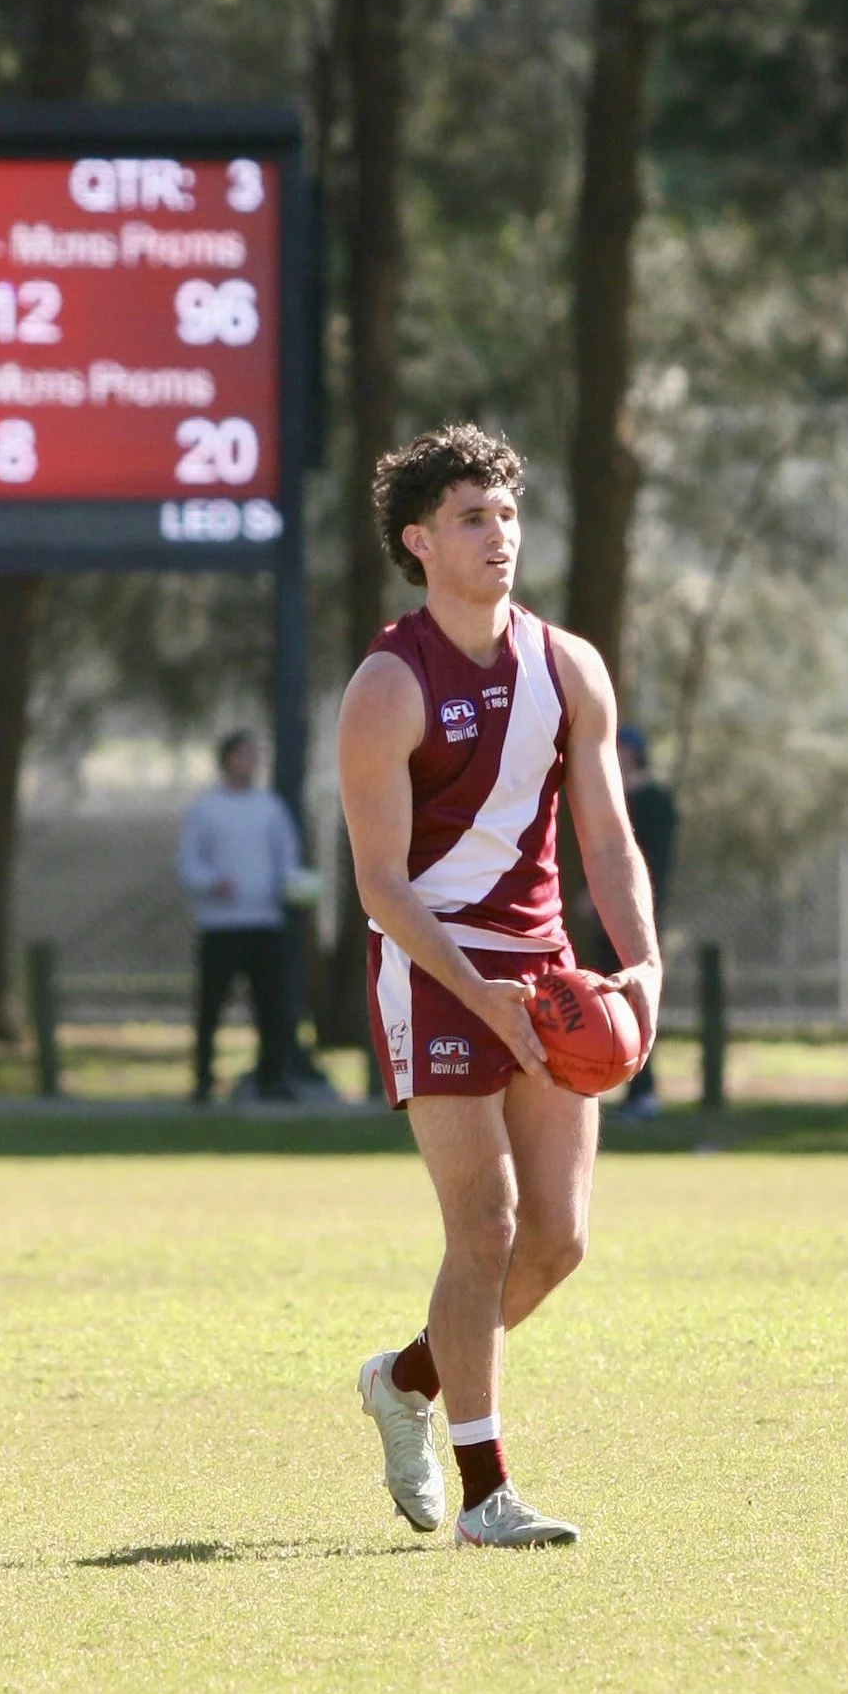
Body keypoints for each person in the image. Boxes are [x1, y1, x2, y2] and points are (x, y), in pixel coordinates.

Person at [337, 424, 661, 1548]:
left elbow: (608, 843)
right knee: (484, 1222)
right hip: (430, 967)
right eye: (473, 519)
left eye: (509, 515)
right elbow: (381, 886)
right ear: (419, 541)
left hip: (544, 970)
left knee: (555, 1244)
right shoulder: (388, 683)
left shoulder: (568, 666)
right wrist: (481, 998)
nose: (499, 536)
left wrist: (643, 966)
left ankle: (406, 1381)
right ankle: (486, 1495)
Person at [177, 730, 300, 1105]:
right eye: (245, 754)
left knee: (271, 1005)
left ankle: (272, 1078)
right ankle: (202, 1080)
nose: (252, 761)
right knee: (212, 1005)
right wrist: (213, 883)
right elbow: (187, 864)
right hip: (220, 926)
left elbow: (288, 860)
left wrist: (290, 887)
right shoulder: (206, 810)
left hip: (264, 923)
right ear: (228, 758)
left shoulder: (271, 809)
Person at [589, 723, 677, 1117]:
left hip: (642, 917)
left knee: (635, 999)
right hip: (608, 917)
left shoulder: (654, 802)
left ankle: (643, 1091)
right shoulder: (615, 800)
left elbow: (647, 863)